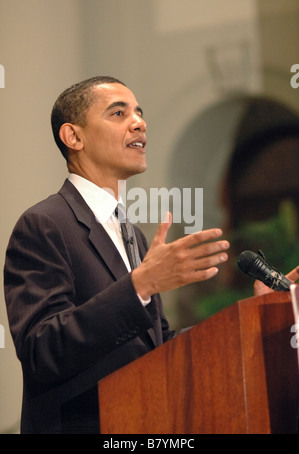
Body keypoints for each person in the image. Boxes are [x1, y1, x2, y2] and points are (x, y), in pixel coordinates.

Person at [5, 75, 289, 435]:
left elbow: (158, 348)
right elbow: (41, 351)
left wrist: (250, 317)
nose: (139, 122)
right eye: (118, 113)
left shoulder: (132, 235)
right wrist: (141, 284)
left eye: (139, 113)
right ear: (73, 137)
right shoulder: (44, 224)